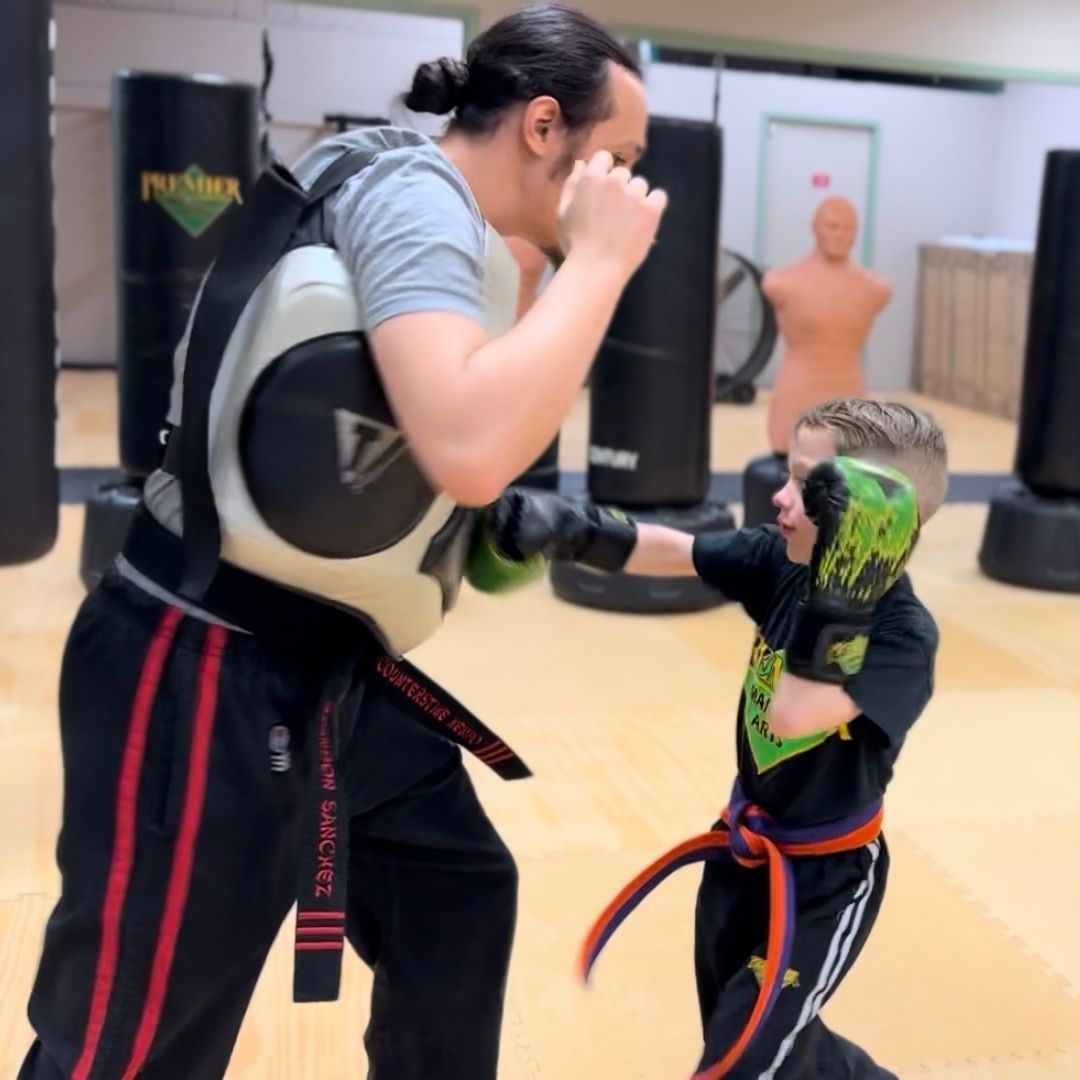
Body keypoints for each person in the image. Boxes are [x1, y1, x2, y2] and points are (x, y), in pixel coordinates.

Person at [19, 6, 667, 1079]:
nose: (631, 187)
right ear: (546, 127)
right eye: (622, 157)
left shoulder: (451, 223)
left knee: (453, 894)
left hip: (319, 668)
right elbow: (466, 446)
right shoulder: (419, 203)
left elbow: (469, 474)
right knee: (139, 1040)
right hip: (202, 666)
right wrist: (601, 265)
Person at [486, 398, 946, 1077]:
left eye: (809, 486)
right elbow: (679, 550)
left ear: (869, 518)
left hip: (824, 884)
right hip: (741, 852)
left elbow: (793, 714)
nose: (781, 496)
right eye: (788, 475)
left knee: (738, 1060)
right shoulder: (782, 562)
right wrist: (569, 529)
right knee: (755, 1038)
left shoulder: (903, 636)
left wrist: (846, 582)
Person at [763, 197, 893, 456]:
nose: (839, 235)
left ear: (856, 233)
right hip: (796, 396)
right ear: (815, 227)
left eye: (847, 228)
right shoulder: (782, 283)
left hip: (847, 396)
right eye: (832, 226)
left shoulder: (875, 289)